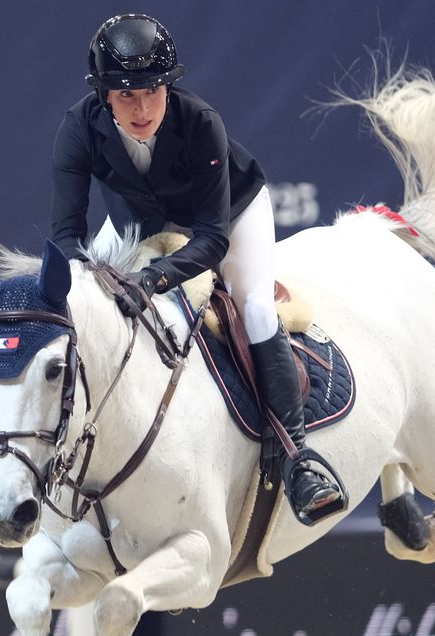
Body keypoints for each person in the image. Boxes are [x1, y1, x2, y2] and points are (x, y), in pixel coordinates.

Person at [50, 13, 342, 523]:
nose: (141, 108)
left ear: (168, 85)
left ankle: (299, 460)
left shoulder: (201, 121)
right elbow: (66, 236)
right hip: (139, 221)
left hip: (228, 215)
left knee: (253, 306)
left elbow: (210, 240)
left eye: (152, 91)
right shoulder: (78, 127)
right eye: (125, 95)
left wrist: (149, 280)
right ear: (103, 97)